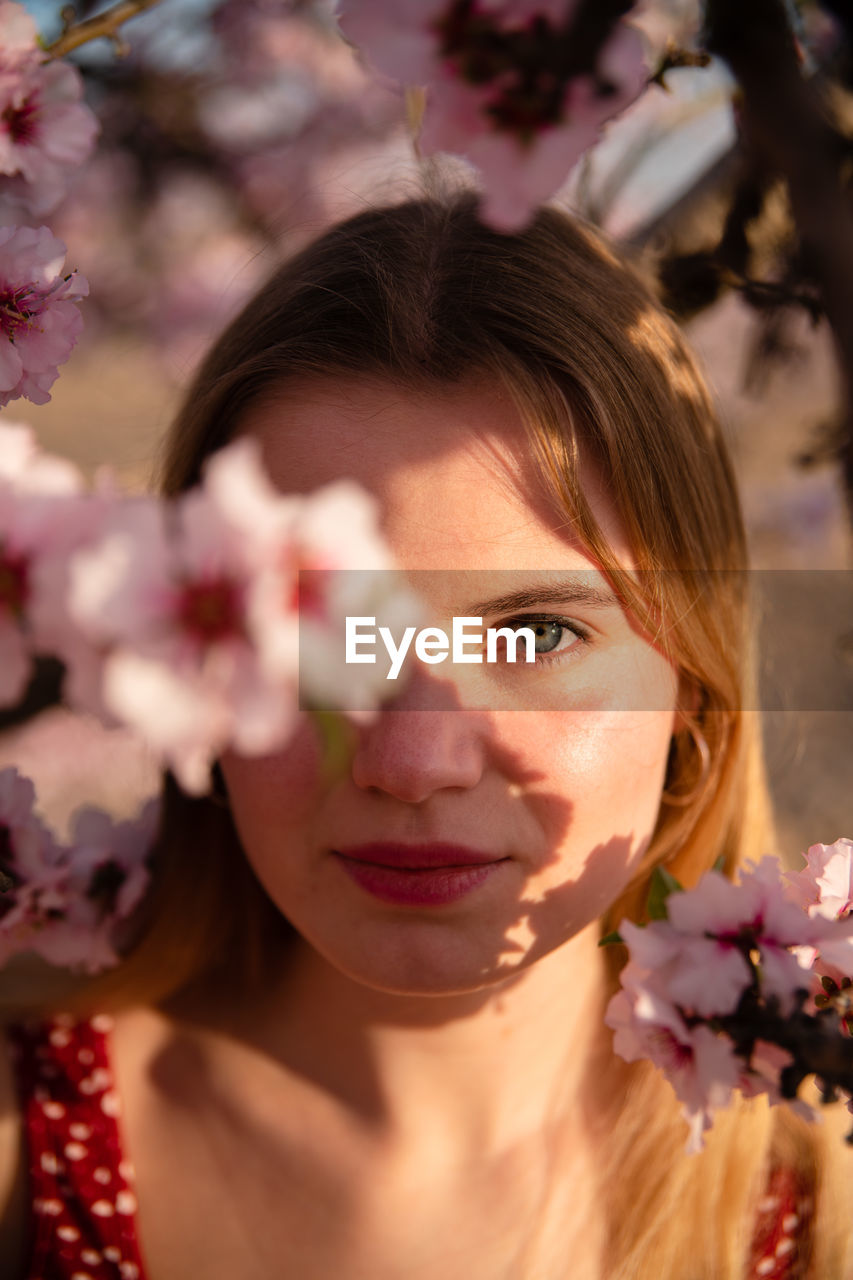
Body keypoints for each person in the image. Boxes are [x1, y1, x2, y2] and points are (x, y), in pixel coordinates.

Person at [0, 192, 851, 1280]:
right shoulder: (27, 1154)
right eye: (320, 630)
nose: (413, 761)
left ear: (691, 682)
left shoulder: (820, 1209)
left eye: (536, 629)